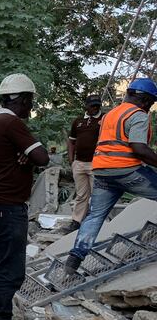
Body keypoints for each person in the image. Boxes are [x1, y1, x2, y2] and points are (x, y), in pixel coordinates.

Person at [0, 74, 49, 320]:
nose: (30, 107)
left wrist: (24, 157)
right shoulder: (11, 122)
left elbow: (21, 158)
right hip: (6, 207)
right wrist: (29, 154)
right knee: (10, 270)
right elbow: (42, 157)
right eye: (29, 101)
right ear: (20, 99)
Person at [64, 78, 157, 276]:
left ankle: (74, 259)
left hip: (101, 171)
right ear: (144, 99)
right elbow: (139, 148)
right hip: (126, 169)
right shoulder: (138, 115)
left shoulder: (110, 115)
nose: (150, 106)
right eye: (150, 102)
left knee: (95, 216)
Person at [66, 94, 103, 231]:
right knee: (81, 194)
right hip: (79, 163)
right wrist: (71, 159)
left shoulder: (104, 119)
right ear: (86, 106)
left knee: (97, 194)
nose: (95, 108)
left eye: (97, 105)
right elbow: (71, 141)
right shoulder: (78, 121)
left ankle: (95, 223)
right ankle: (76, 222)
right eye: (92, 105)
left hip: (96, 163)